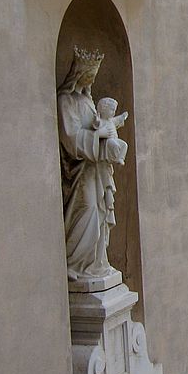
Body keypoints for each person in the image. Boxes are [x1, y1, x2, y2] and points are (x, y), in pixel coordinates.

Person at [57, 47, 128, 283]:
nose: (91, 81)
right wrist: (99, 136)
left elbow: (98, 123)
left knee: (99, 212)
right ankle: (75, 261)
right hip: (80, 172)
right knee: (87, 209)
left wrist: (110, 127)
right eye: (88, 76)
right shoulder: (66, 100)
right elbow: (70, 139)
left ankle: (97, 263)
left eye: (93, 77)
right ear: (78, 74)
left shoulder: (87, 100)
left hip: (97, 169)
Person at [95, 97, 129, 165]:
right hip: (108, 141)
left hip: (114, 138)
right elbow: (95, 130)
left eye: (114, 110)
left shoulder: (111, 120)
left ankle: (121, 158)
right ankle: (114, 157)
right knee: (115, 145)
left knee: (124, 145)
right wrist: (102, 132)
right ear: (103, 109)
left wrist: (123, 116)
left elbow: (117, 119)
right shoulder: (100, 121)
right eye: (112, 110)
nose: (113, 113)